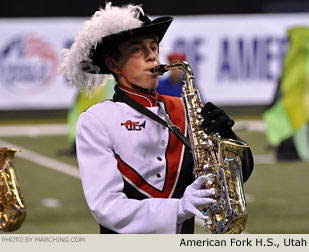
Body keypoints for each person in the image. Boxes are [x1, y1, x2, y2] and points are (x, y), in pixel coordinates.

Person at [59, 2, 253, 234]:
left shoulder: (184, 109)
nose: (153, 57)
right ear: (113, 63)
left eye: (154, 47)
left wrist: (227, 136)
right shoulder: (96, 121)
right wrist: (178, 208)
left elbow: (234, 179)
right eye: (138, 50)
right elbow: (106, 207)